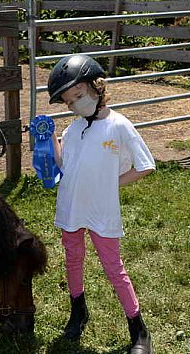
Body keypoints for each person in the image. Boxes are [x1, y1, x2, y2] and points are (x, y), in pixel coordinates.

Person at [47, 54, 155, 353]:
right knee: (73, 258)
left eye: (79, 96)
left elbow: (145, 165)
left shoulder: (119, 125)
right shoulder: (76, 128)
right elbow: (63, 163)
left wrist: (111, 184)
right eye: (69, 102)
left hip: (101, 210)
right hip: (71, 206)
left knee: (113, 267)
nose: (75, 105)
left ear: (97, 87)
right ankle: (78, 312)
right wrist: (50, 140)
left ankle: (138, 329)